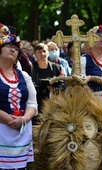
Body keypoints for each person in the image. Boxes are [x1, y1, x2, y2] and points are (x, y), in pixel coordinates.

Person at [0, 24, 38, 170]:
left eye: (16, 49)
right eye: (9, 46)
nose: (13, 49)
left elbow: (32, 103)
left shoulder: (24, 76)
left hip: (21, 133)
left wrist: (24, 119)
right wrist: (9, 119)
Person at [32, 42, 61, 113]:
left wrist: (56, 89)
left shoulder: (56, 67)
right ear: (35, 54)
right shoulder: (31, 68)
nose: (42, 54)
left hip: (53, 102)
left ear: (48, 53)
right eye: (39, 52)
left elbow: (63, 83)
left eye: (44, 51)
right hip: (37, 102)